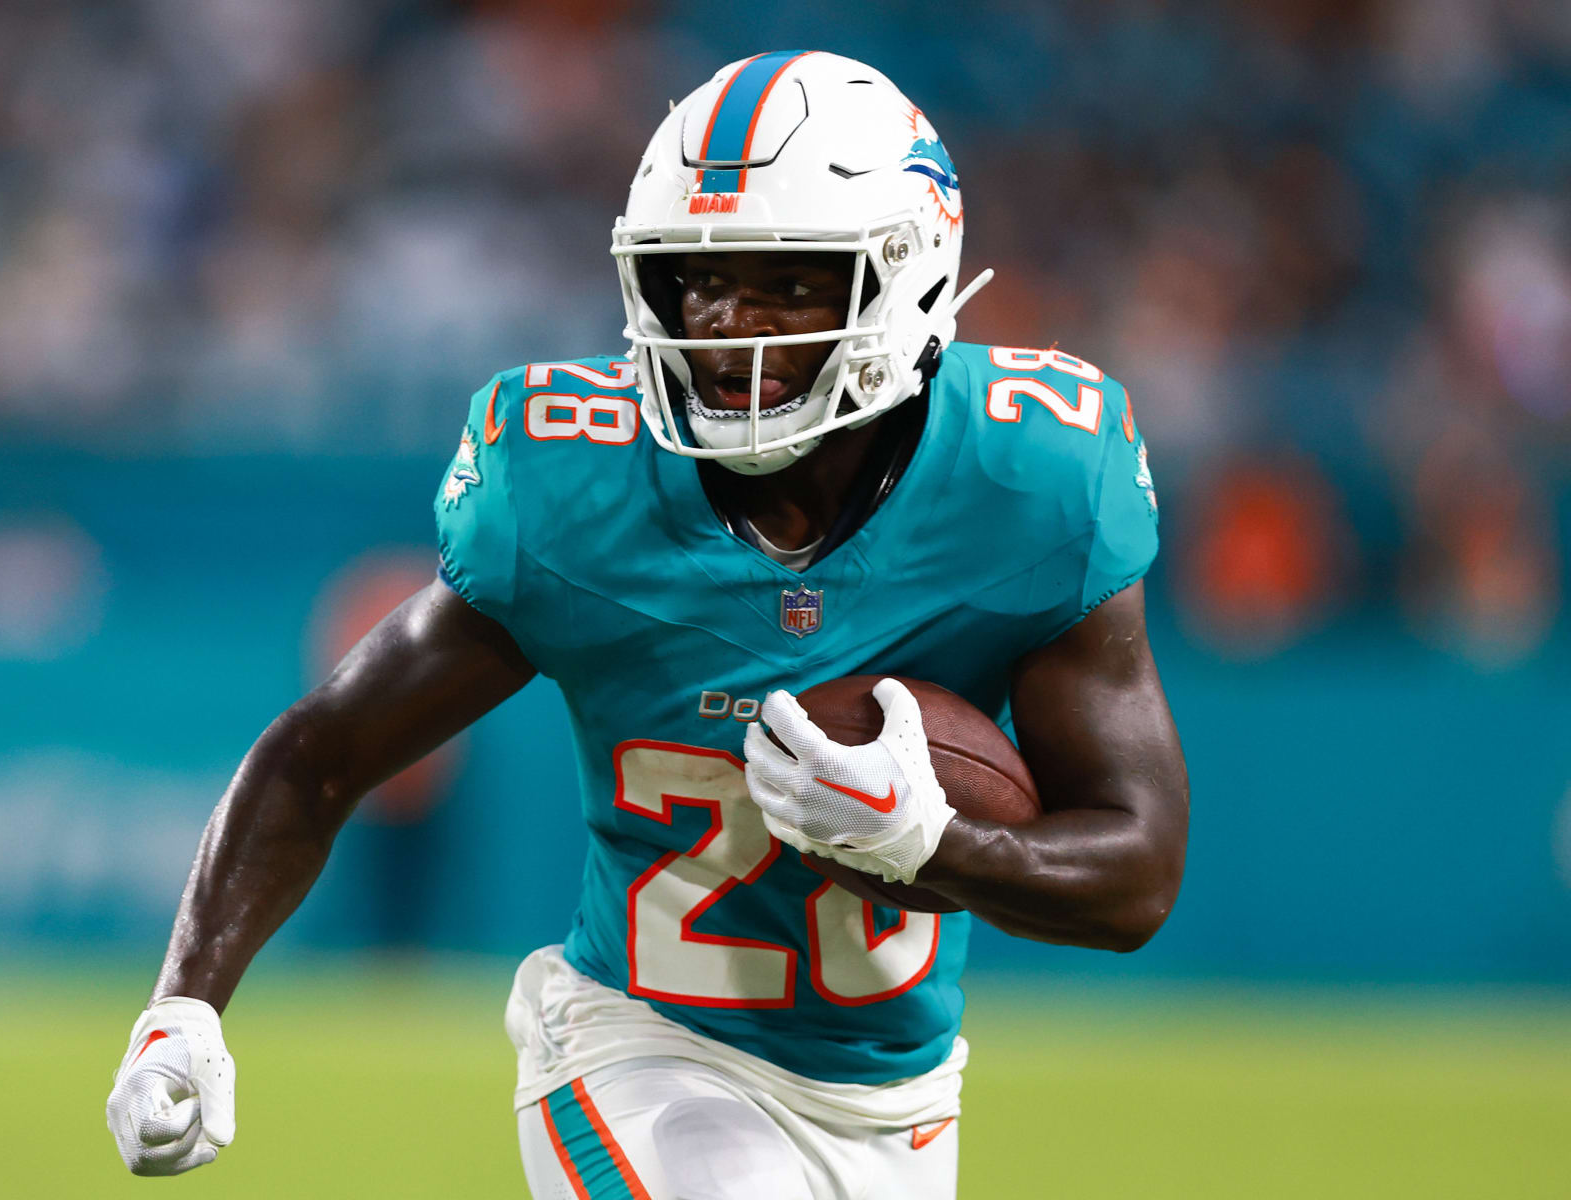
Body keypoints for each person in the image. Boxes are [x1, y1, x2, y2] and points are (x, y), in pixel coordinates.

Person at [105, 50, 1189, 1199]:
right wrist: (182, 1007)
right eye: (698, 284)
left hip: (903, 1101)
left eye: (788, 285)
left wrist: (932, 844)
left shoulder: (1034, 482)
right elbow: (319, 756)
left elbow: (1138, 876)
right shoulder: (571, 490)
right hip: (639, 1052)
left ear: (903, 276)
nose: (728, 329)